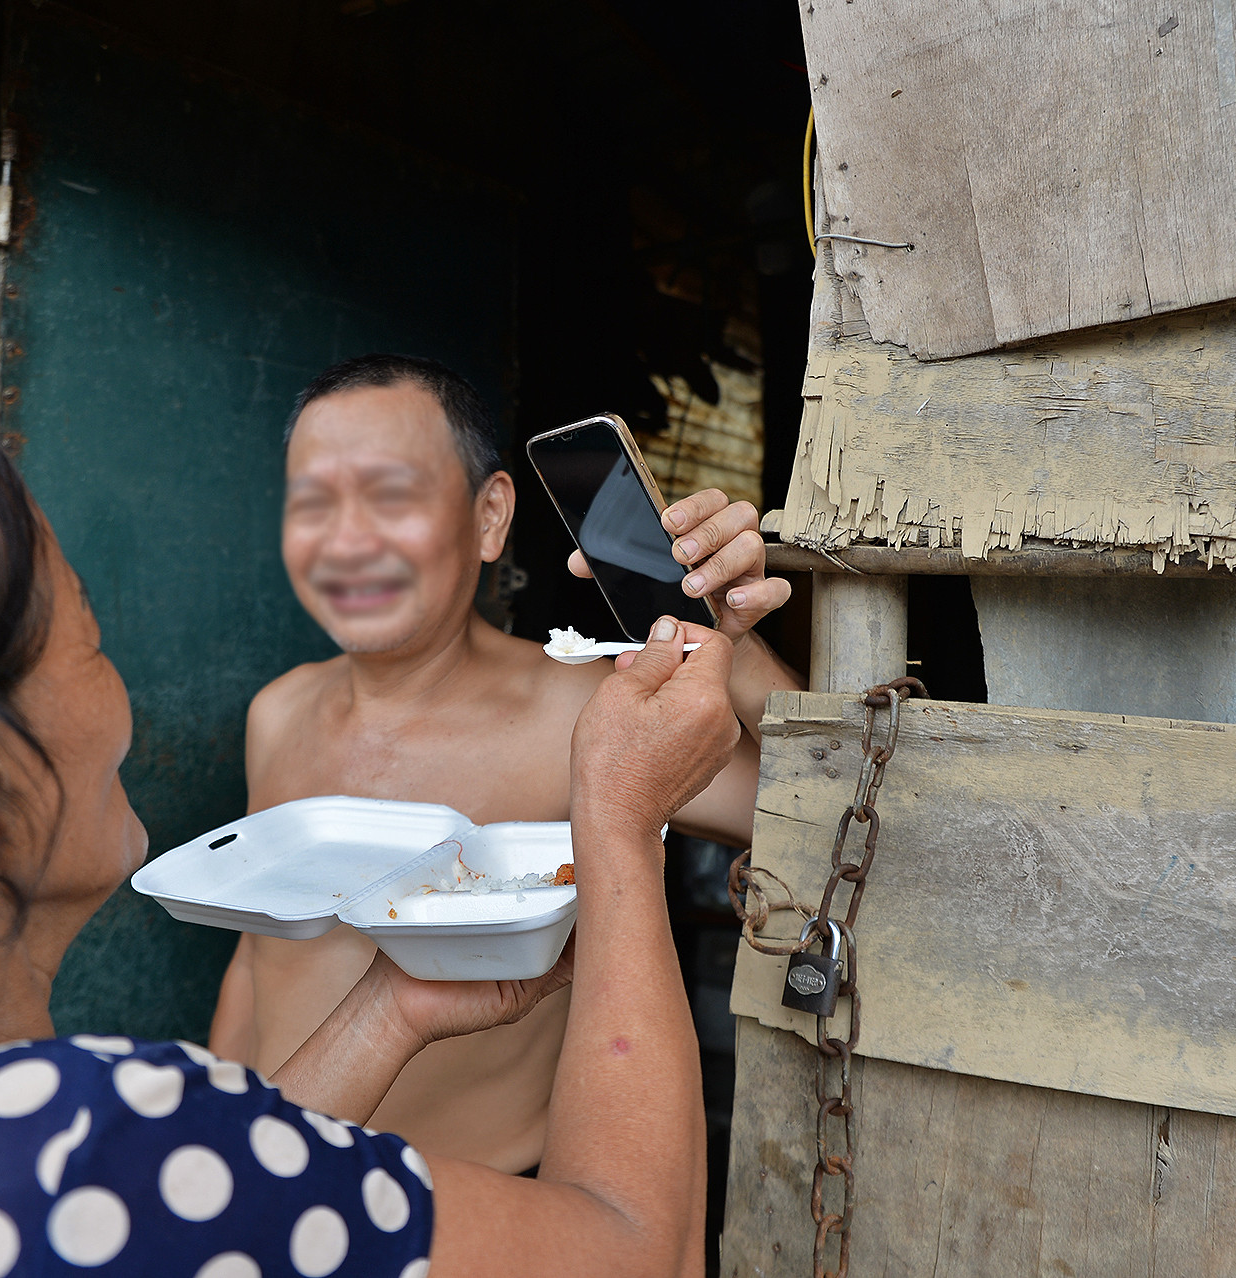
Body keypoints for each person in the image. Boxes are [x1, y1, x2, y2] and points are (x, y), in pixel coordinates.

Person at [0, 404, 736, 1277]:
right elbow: (634, 1248)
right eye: (87, 640)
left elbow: (235, 1184)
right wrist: (620, 834)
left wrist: (390, 1012)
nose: (117, 688)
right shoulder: (101, 1143)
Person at [213, 354, 802, 1173]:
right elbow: (258, 960)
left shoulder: (581, 710)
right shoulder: (275, 715)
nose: (346, 540)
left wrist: (729, 646)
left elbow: (817, 817)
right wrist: (219, 1153)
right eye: (311, 503)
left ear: (490, 516)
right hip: (280, 1196)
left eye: (391, 496)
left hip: (481, 1220)